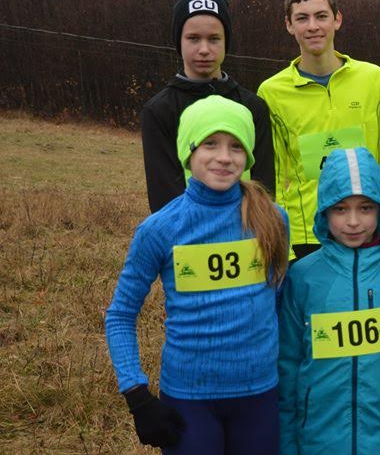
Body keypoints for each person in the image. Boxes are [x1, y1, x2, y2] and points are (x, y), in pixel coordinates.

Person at [105, 95, 290, 454]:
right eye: (211, 143)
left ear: (249, 156)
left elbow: (278, 300)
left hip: (260, 395)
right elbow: (121, 315)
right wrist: (138, 397)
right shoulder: (160, 228)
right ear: (188, 151)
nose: (224, 157)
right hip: (190, 399)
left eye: (236, 146)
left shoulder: (273, 219)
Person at [278, 146, 380, 455]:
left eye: (365, 208)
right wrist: (287, 445)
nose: (352, 221)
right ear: (324, 211)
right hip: (317, 442)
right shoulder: (303, 276)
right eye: (340, 209)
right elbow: (287, 368)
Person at [258, 0, 380, 259]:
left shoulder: (373, 79)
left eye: (321, 16)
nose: (312, 26)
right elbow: (273, 177)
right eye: (302, 18)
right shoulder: (271, 92)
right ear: (289, 25)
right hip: (307, 235)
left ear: (337, 20)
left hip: (367, 228)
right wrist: (283, 245)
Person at [141, 0, 275, 213]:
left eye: (214, 39)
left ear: (226, 41)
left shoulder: (253, 107)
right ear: (178, 41)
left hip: (244, 236)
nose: (204, 49)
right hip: (188, 240)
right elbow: (163, 197)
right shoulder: (159, 111)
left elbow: (263, 188)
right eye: (193, 38)